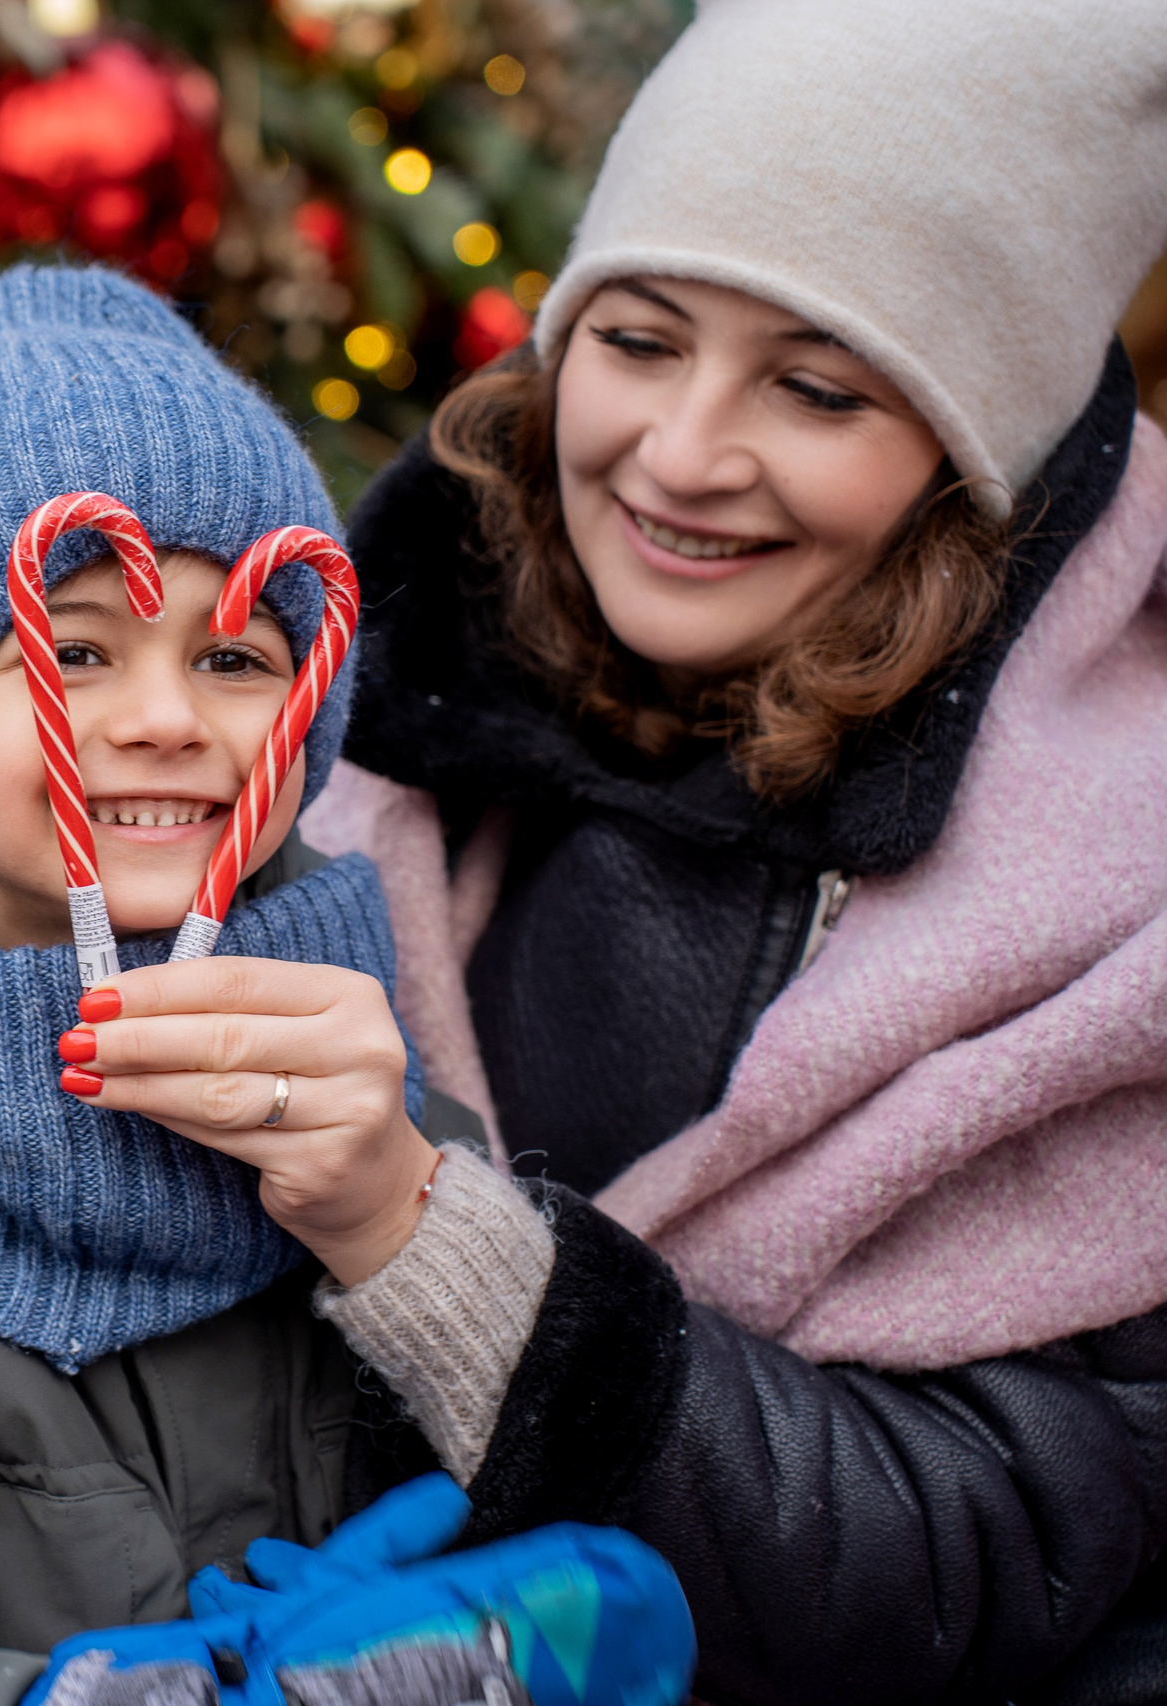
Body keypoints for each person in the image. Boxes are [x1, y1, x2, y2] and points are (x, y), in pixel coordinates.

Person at [0, 266, 689, 1706]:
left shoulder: (362, 1086)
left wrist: (405, 1228)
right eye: (78, 649)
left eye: (235, 655)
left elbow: (575, 1494)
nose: (164, 718)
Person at [265, 1, 1167, 1701]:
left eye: (817, 386)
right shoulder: (355, 700)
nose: (679, 458)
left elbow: (986, 1547)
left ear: (989, 449)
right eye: (641, 338)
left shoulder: (1126, 911)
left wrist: (441, 1250)